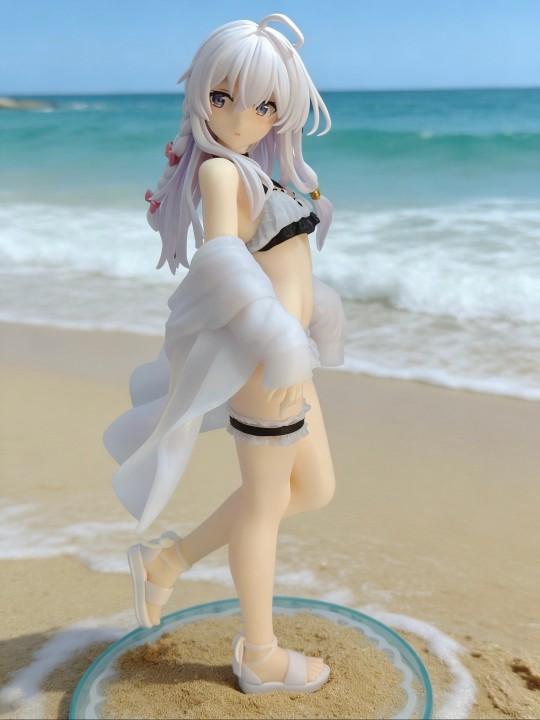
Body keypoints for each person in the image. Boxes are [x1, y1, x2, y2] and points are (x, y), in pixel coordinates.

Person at [104, 13, 347, 695]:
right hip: (265, 365)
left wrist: (312, 319)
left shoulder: (254, 172)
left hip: (290, 361)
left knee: (314, 490)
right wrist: (278, 338)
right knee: (265, 510)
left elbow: (280, 266)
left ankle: (168, 562)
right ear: (200, 97)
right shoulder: (220, 173)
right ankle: (260, 655)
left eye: (264, 105)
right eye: (222, 97)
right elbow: (220, 264)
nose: (243, 117)